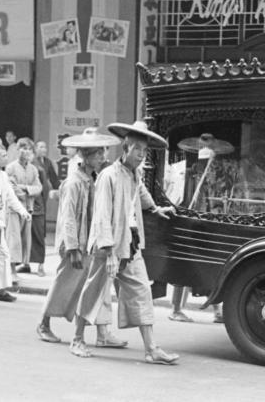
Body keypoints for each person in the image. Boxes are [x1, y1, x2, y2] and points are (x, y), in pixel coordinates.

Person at [75, 120, 179, 364]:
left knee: (142, 291)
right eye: (138, 150)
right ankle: (77, 339)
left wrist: (155, 208)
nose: (142, 156)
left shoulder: (135, 174)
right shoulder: (108, 176)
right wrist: (109, 251)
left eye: (144, 151)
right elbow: (101, 216)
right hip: (108, 245)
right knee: (94, 292)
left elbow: (140, 192)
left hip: (130, 242)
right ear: (126, 149)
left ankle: (152, 348)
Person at [37, 128, 126, 352]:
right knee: (63, 285)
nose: (102, 158)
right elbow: (68, 218)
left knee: (79, 287)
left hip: (87, 241)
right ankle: (43, 323)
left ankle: (96, 330)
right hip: (74, 244)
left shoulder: (92, 178)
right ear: (87, 156)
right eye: (98, 154)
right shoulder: (74, 182)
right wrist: (73, 248)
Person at [0, 144, 30, 302]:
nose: (6, 158)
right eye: (3, 155)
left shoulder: (3, 176)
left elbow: (10, 196)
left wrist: (23, 212)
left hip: (0, 221)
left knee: (0, 255)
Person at [5, 137, 42, 275]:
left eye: (29, 149)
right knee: (13, 239)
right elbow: (12, 188)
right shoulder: (11, 167)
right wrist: (27, 191)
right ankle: (12, 270)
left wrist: (26, 189)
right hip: (14, 209)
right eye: (23, 148)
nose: (26, 152)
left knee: (25, 239)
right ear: (18, 149)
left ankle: (22, 264)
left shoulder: (33, 169)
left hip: (28, 208)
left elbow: (39, 187)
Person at [30, 141, 60, 276]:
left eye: (45, 146)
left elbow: (54, 178)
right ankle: (25, 263)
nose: (44, 149)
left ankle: (40, 265)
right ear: (35, 149)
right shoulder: (32, 161)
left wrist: (60, 190)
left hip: (43, 200)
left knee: (40, 231)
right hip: (32, 199)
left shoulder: (47, 162)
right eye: (41, 147)